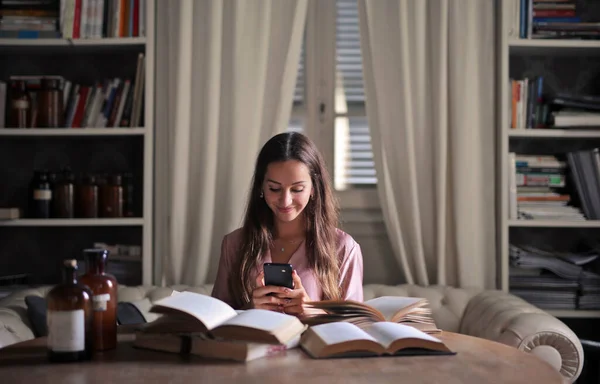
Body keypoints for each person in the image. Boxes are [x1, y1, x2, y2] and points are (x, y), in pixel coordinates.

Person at [211, 131, 364, 316]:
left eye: (297, 189)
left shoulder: (343, 248)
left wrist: (313, 312)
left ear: (314, 189)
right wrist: (249, 310)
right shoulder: (234, 245)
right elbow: (215, 321)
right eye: (274, 188)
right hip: (253, 345)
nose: (285, 201)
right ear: (261, 187)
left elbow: (356, 328)